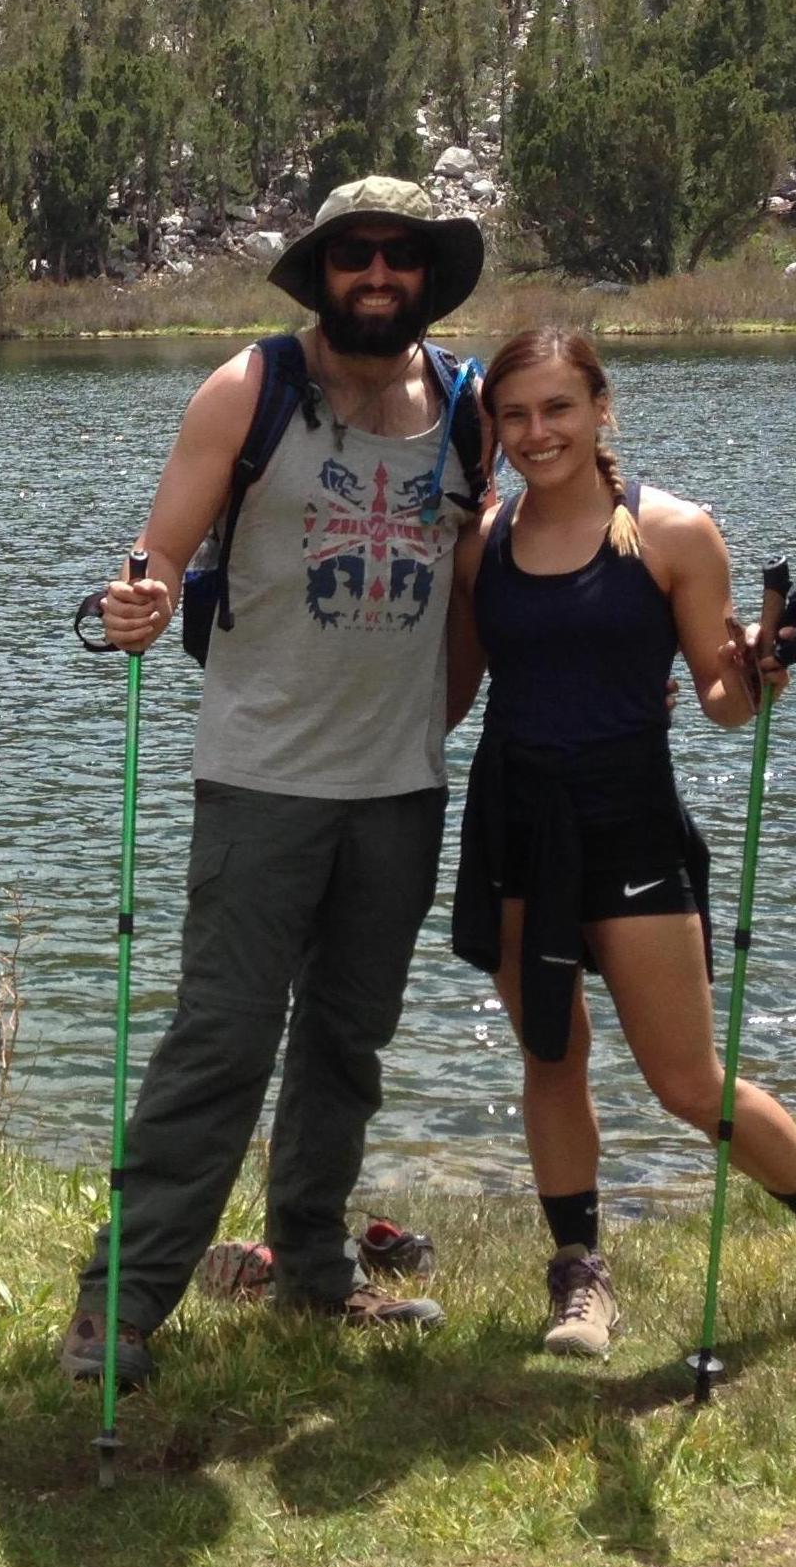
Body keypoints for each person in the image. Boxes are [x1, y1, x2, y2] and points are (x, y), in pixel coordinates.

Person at [59, 176, 489, 1390]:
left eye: (397, 256)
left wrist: (446, 718)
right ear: (319, 272)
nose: (375, 275)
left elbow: (476, 588)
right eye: (352, 255)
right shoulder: (249, 390)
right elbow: (154, 564)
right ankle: (121, 1303)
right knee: (222, 1038)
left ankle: (312, 1264)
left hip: (398, 790)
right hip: (259, 780)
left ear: (425, 274)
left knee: (348, 1042)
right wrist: (134, 607)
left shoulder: (465, 406)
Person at [447, 324, 796, 1359]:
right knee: (552, 1054)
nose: (537, 432)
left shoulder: (672, 532)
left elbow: (720, 701)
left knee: (686, 1081)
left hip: (628, 816)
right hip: (515, 818)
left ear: (598, 408)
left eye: (557, 408)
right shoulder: (480, 540)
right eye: (514, 414)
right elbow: (450, 689)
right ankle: (579, 1278)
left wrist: (762, 671)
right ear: (490, 427)